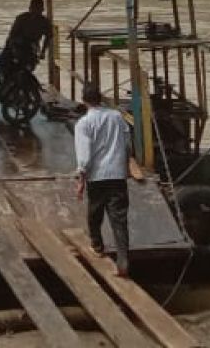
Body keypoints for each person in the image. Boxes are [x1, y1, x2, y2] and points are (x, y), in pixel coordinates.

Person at [74, 83, 131, 277]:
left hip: (97, 176)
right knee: (119, 219)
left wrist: (81, 178)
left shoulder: (84, 123)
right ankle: (123, 260)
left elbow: (84, 154)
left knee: (95, 212)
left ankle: (97, 245)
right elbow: (127, 141)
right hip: (117, 174)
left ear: (84, 100)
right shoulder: (116, 116)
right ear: (101, 98)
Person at [7, 0, 51, 68]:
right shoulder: (21, 18)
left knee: (29, 64)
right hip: (18, 45)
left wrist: (43, 52)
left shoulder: (44, 22)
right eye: (34, 9)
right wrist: (9, 47)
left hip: (33, 47)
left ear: (42, 10)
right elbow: (12, 35)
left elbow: (48, 36)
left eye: (38, 10)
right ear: (30, 8)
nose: (36, 12)